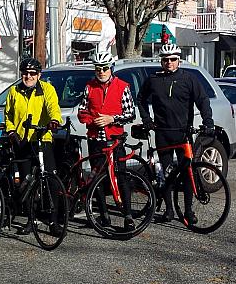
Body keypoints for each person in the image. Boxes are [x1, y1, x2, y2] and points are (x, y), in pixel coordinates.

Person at [138, 43, 214, 225]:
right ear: (161, 61)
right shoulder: (153, 79)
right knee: (165, 173)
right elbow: (140, 99)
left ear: (178, 60)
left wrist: (208, 122)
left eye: (173, 59)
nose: (169, 63)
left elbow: (202, 100)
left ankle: (188, 211)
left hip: (183, 133)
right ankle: (169, 210)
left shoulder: (189, 78)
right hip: (163, 133)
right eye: (165, 60)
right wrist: (147, 120)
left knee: (187, 172)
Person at [77, 52, 136, 230]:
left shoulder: (122, 86)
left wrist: (112, 119)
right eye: (98, 69)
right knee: (97, 180)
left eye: (104, 68)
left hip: (115, 140)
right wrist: (92, 120)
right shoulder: (89, 87)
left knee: (121, 178)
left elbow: (130, 113)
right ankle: (104, 215)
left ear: (111, 68)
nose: (101, 72)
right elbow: (82, 111)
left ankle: (128, 216)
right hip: (96, 140)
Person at [4, 57, 62, 234]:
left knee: (50, 179)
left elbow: (53, 107)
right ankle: (32, 219)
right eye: (25, 73)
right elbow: (8, 115)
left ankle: (53, 221)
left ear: (39, 75)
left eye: (32, 74)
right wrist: (12, 131)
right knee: (26, 181)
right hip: (23, 141)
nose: (28, 76)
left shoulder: (46, 89)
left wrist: (54, 120)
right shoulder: (14, 91)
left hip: (42, 139)